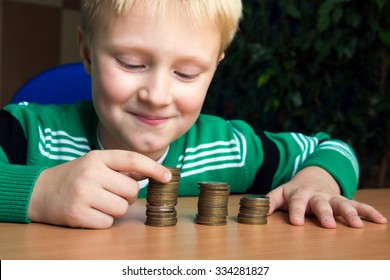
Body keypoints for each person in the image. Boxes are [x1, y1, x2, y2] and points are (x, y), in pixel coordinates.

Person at [0, 0, 386, 229]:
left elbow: (331, 149)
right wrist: (37, 191)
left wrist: (317, 181)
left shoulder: (229, 148)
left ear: (214, 69)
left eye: (186, 73)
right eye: (132, 63)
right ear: (86, 52)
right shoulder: (30, 131)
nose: (157, 95)